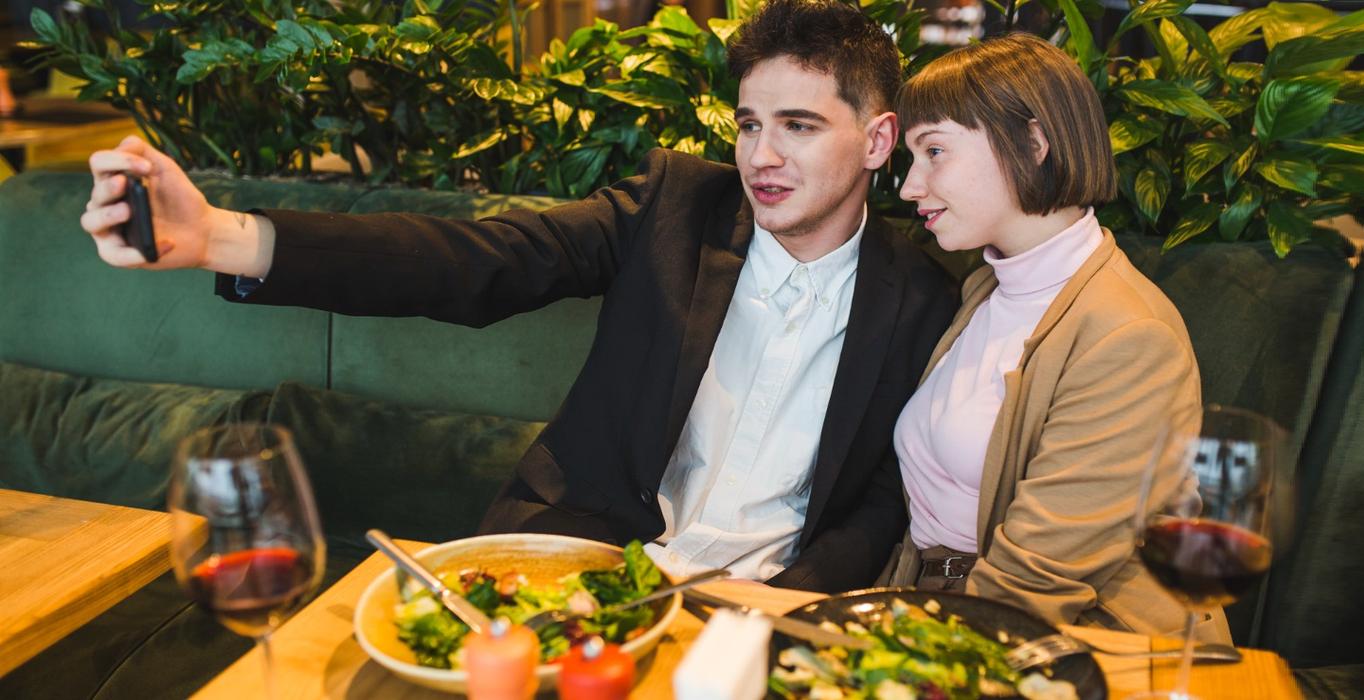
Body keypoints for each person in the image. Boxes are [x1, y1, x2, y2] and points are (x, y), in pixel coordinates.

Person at [78, 0, 957, 593]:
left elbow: (882, 497)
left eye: (799, 126)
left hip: (766, 607)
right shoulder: (673, 210)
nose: (761, 156)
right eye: (750, 123)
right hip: (585, 567)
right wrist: (221, 237)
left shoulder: (922, 294)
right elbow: (475, 258)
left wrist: (790, 605)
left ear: (878, 139)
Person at [879, 33, 1229, 643]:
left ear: (1032, 144)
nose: (910, 186)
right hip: (944, 606)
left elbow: (1036, 581)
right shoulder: (988, 286)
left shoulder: (1130, 337)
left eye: (934, 151)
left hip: (1084, 642)